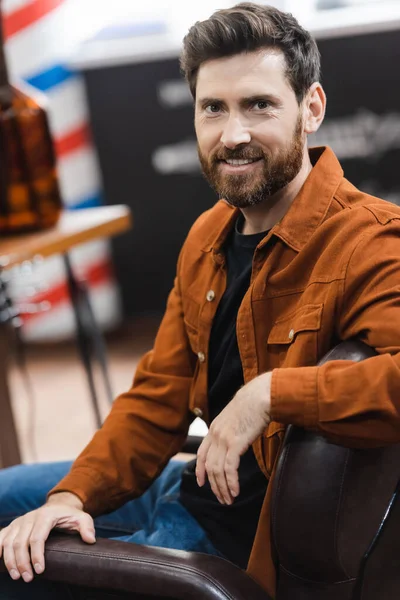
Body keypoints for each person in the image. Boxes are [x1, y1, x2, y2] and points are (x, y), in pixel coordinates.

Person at [1, 2, 400, 598]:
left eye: (259, 105)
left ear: (310, 108)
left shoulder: (372, 241)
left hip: (230, 537)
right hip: (189, 482)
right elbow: (156, 397)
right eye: (213, 108)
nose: (233, 134)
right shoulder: (208, 234)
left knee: (15, 567)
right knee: (12, 496)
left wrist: (267, 395)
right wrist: (71, 496)